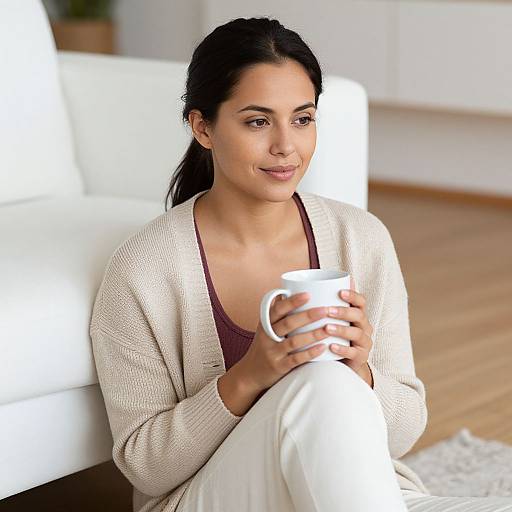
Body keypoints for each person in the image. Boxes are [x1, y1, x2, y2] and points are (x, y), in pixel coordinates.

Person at [89, 16, 512, 512]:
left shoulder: (361, 239)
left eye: (303, 118)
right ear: (202, 126)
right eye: (257, 121)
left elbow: (399, 435)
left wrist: (363, 373)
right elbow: (145, 465)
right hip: (209, 499)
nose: (286, 145)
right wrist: (250, 375)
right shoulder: (142, 270)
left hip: (357, 495)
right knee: (323, 381)